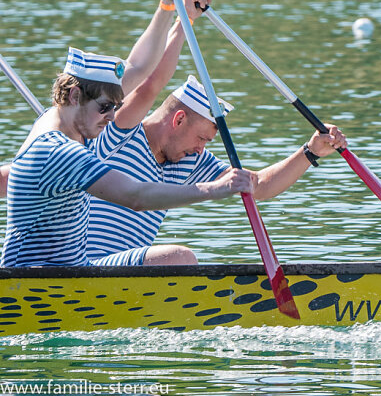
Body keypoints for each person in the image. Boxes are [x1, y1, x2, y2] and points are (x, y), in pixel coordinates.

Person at [1, 48, 254, 267]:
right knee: (180, 257)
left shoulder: (52, 123)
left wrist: (167, 9)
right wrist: (213, 190)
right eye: (103, 108)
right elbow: (136, 197)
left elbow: (141, 68)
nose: (111, 117)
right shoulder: (63, 152)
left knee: (176, 258)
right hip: (40, 278)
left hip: (75, 268)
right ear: (75, 97)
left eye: (114, 107)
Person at [85, 75, 346, 265]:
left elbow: (259, 185)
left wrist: (309, 152)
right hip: (78, 266)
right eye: (201, 139)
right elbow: (148, 82)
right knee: (180, 259)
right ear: (178, 120)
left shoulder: (191, 160)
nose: (201, 149)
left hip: (121, 271)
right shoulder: (118, 135)